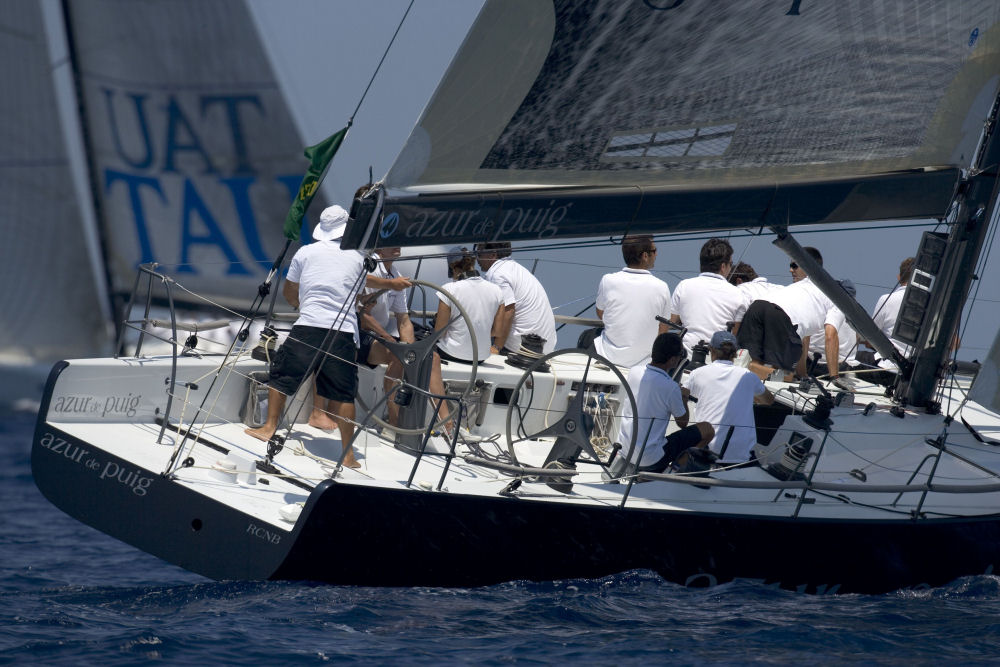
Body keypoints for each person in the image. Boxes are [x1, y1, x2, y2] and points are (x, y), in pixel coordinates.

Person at [245, 205, 410, 468]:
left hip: (309, 325)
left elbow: (290, 293)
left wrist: (303, 305)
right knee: (344, 393)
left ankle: (268, 428)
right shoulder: (357, 256)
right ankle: (348, 454)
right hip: (343, 333)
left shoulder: (305, 252)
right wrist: (392, 285)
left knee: (282, 375)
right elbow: (365, 282)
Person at [737, 248, 845, 381]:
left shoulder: (802, 285)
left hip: (758, 307)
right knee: (786, 376)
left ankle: (745, 367)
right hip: (781, 316)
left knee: (752, 361)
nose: (790, 270)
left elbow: (804, 338)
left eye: (794, 265)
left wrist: (803, 375)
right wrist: (835, 377)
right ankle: (750, 368)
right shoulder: (839, 298)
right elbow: (830, 335)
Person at [615, 333, 714, 473]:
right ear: (673, 360)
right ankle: (671, 471)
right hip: (649, 459)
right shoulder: (671, 387)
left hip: (625, 451)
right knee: (707, 429)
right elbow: (682, 422)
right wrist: (684, 398)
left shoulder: (634, 372)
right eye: (680, 355)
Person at [429, 246, 503, 429]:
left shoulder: (449, 289)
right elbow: (497, 331)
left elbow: (440, 331)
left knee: (422, 355)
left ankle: (444, 420)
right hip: (481, 357)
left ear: (454, 269)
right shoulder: (496, 291)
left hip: (452, 353)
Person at [683, 331, 773, 463]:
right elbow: (769, 400)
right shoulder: (748, 376)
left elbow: (682, 395)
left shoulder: (697, 374)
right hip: (741, 456)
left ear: (711, 350)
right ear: (735, 353)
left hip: (707, 451)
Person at [592, 235, 672, 368]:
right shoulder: (662, 287)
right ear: (645, 256)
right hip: (643, 362)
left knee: (588, 337)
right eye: (654, 251)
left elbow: (600, 312)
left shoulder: (608, 280)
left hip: (607, 356)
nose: (657, 254)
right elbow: (663, 329)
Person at [357, 246, 415, 425]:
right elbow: (363, 317)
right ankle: (394, 422)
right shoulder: (368, 267)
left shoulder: (396, 274)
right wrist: (392, 341)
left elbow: (404, 321)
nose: (398, 245)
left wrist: (411, 349)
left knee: (431, 358)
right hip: (359, 334)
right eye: (392, 241)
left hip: (379, 337)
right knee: (397, 356)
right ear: (380, 246)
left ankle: (447, 425)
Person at [474, 241, 557, 356]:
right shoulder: (517, 269)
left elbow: (508, 311)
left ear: (492, 255)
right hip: (546, 347)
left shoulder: (496, 274)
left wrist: (497, 347)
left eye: (479, 253)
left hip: (521, 347)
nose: (476, 259)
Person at [670, 238, 750, 354]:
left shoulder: (684, 286)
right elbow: (733, 336)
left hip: (684, 359)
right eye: (731, 264)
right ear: (723, 266)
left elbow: (672, 323)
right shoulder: (739, 295)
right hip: (717, 359)